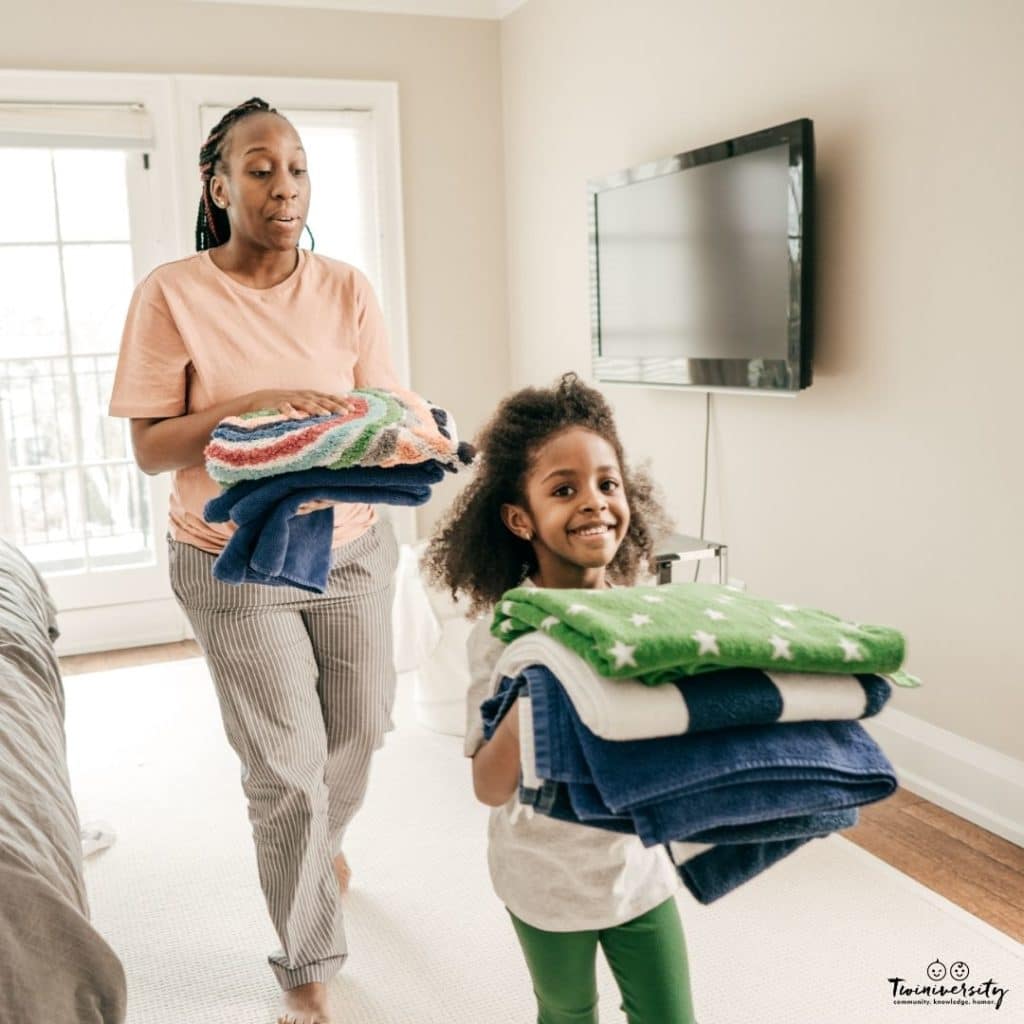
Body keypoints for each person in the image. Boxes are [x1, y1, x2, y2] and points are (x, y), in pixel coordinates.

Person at [108, 97, 401, 1024]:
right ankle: (308, 966)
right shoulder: (173, 293)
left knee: (360, 730)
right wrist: (260, 404)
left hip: (352, 542)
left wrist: (406, 432)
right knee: (285, 769)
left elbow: (378, 410)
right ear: (219, 183)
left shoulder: (347, 287)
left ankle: (322, 845)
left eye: (299, 167)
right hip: (232, 555)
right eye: (263, 166)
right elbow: (154, 448)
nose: (285, 185)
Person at [422, 373, 698, 1024]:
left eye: (608, 483)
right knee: (567, 1012)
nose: (595, 502)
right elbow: (489, 788)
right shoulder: (503, 637)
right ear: (520, 519)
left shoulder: (639, 621)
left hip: (638, 872)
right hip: (543, 876)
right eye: (564, 489)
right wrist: (528, 707)